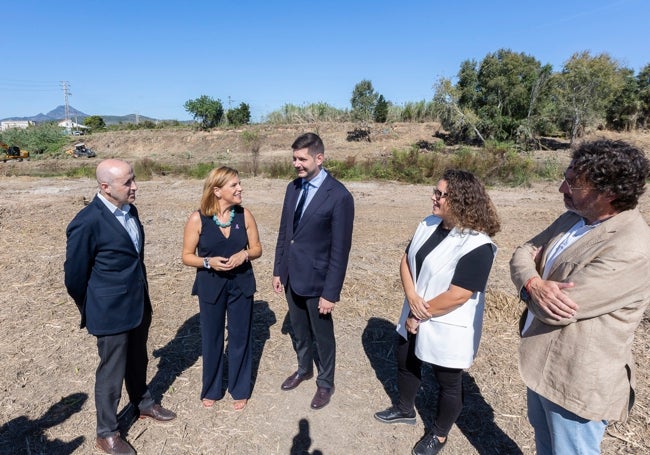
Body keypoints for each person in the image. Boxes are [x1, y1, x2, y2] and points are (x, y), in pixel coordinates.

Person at [510, 139, 650, 455]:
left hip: (576, 380)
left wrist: (531, 279)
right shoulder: (575, 217)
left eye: (574, 182)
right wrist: (533, 283)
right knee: (546, 446)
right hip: (542, 365)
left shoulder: (631, 249)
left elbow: (554, 311)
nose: (562, 187)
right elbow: (521, 252)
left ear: (609, 193)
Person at [374, 169, 500, 455]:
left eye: (441, 194)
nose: (434, 197)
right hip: (415, 310)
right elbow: (406, 260)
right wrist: (411, 298)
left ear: (461, 201)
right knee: (405, 359)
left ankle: (439, 435)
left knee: (448, 382)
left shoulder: (478, 244)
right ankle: (405, 409)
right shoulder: (429, 223)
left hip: (446, 323)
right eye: (436, 191)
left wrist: (420, 313)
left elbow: (460, 294)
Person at [64, 159, 176, 455]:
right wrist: (92, 307)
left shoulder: (130, 210)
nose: (135, 186)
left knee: (138, 359)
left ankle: (144, 404)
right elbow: (74, 276)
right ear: (105, 187)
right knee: (111, 372)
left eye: (134, 179)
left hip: (138, 304)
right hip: (110, 311)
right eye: (127, 182)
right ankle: (107, 432)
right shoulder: (87, 221)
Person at [273, 132, 354, 410]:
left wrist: (330, 293)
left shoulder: (339, 196)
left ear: (319, 158)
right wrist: (278, 270)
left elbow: (340, 251)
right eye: (294, 158)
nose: (296, 163)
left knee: (322, 335)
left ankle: (326, 383)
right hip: (292, 276)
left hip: (319, 280)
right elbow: (286, 233)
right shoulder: (292, 188)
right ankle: (304, 369)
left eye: (302, 158)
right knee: (298, 329)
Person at [181, 166, 262, 411]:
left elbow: (258, 248)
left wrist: (245, 254)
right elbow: (186, 256)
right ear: (217, 191)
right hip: (210, 287)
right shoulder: (198, 219)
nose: (240, 188)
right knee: (212, 338)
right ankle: (212, 389)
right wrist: (208, 262)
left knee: (240, 337)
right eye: (234, 185)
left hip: (241, 285)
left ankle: (240, 388)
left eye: (239, 184)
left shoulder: (245, 215)